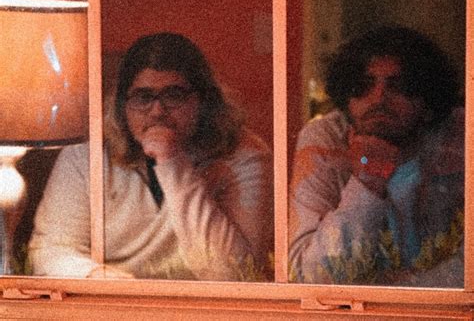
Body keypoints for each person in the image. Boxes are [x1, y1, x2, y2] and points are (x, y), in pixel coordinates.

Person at [29, 33, 273, 280]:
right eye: (143, 97)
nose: (157, 111)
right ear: (122, 105)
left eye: (174, 95)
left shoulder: (244, 154)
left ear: (203, 101)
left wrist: (173, 162)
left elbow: (235, 275)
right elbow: (51, 251)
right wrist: (108, 283)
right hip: (111, 297)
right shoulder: (85, 156)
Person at [289, 26, 464, 287]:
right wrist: (368, 180)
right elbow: (308, 277)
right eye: (363, 85)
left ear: (428, 99)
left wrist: (399, 290)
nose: (379, 97)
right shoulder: (326, 139)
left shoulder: (459, 136)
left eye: (399, 86)